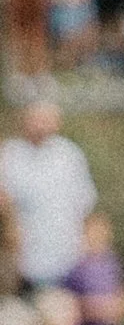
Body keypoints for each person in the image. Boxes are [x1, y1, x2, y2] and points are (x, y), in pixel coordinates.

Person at [0, 95, 97, 293]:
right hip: (25, 260)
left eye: (47, 119)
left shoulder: (69, 154)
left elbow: (85, 202)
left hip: (67, 256)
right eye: (37, 119)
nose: (41, 126)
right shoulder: (10, 155)